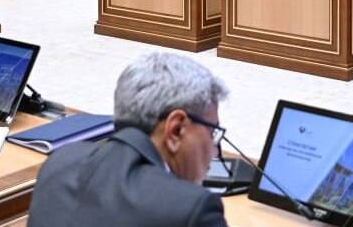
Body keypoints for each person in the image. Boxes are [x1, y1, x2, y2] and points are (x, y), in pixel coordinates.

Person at [28, 52, 229, 227]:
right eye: (212, 133)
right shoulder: (191, 208)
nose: (215, 152)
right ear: (176, 130)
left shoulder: (60, 161)